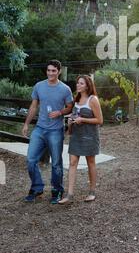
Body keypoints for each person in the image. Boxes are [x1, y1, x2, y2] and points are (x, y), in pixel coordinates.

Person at [22, 60, 73, 204]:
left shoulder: (65, 89)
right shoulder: (39, 86)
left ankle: (57, 191)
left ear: (59, 71)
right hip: (39, 129)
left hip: (55, 131)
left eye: (53, 71)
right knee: (31, 160)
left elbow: (70, 107)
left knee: (56, 163)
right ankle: (37, 188)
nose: (50, 73)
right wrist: (26, 124)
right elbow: (33, 107)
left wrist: (60, 112)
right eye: (49, 70)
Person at [58, 75, 103, 204]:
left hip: (89, 135)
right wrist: (71, 120)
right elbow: (75, 115)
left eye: (81, 83)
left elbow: (100, 120)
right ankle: (69, 195)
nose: (78, 85)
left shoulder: (93, 99)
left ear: (88, 86)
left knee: (90, 162)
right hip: (76, 135)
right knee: (72, 162)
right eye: (77, 83)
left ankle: (92, 192)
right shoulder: (76, 99)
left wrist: (83, 119)